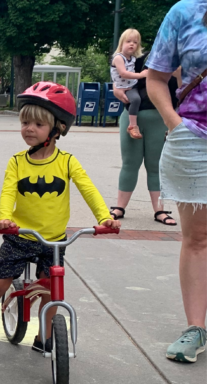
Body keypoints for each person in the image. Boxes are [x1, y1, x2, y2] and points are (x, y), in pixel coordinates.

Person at [0, 82, 121, 358]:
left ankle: (44, 336)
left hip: (53, 241)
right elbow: (9, 191)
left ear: (57, 129)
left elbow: (88, 190)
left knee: (51, 287)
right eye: (24, 122)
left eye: (37, 124)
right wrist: (4, 218)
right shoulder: (18, 162)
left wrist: (105, 217)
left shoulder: (67, 162)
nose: (28, 129)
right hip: (20, 236)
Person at [146, 0, 207, 363]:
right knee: (197, 238)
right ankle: (195, 328)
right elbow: (156, 78)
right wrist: (175, 123)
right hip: (195, 138)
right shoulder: (185, 12)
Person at [110, 52, 180, 226]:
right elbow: (119, 72)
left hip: (160, 118)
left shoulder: (179, 60)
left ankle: (159, 210)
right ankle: (120, 207)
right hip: (133, 115)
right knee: (129, 163)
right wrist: (115, 87)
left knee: (156, 165)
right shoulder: (143, 57)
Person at [110, 28, 148, 139]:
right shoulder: (118, 58)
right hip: (124, 87)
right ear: (121, 43)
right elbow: (123, 74)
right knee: (135, 100)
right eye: (128, 41)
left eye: (135, 43)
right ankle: (132, 125)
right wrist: (141, 75)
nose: (132, 44)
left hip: (132, 85)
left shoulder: (133, 58)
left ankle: (133, 124)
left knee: (136, 99)